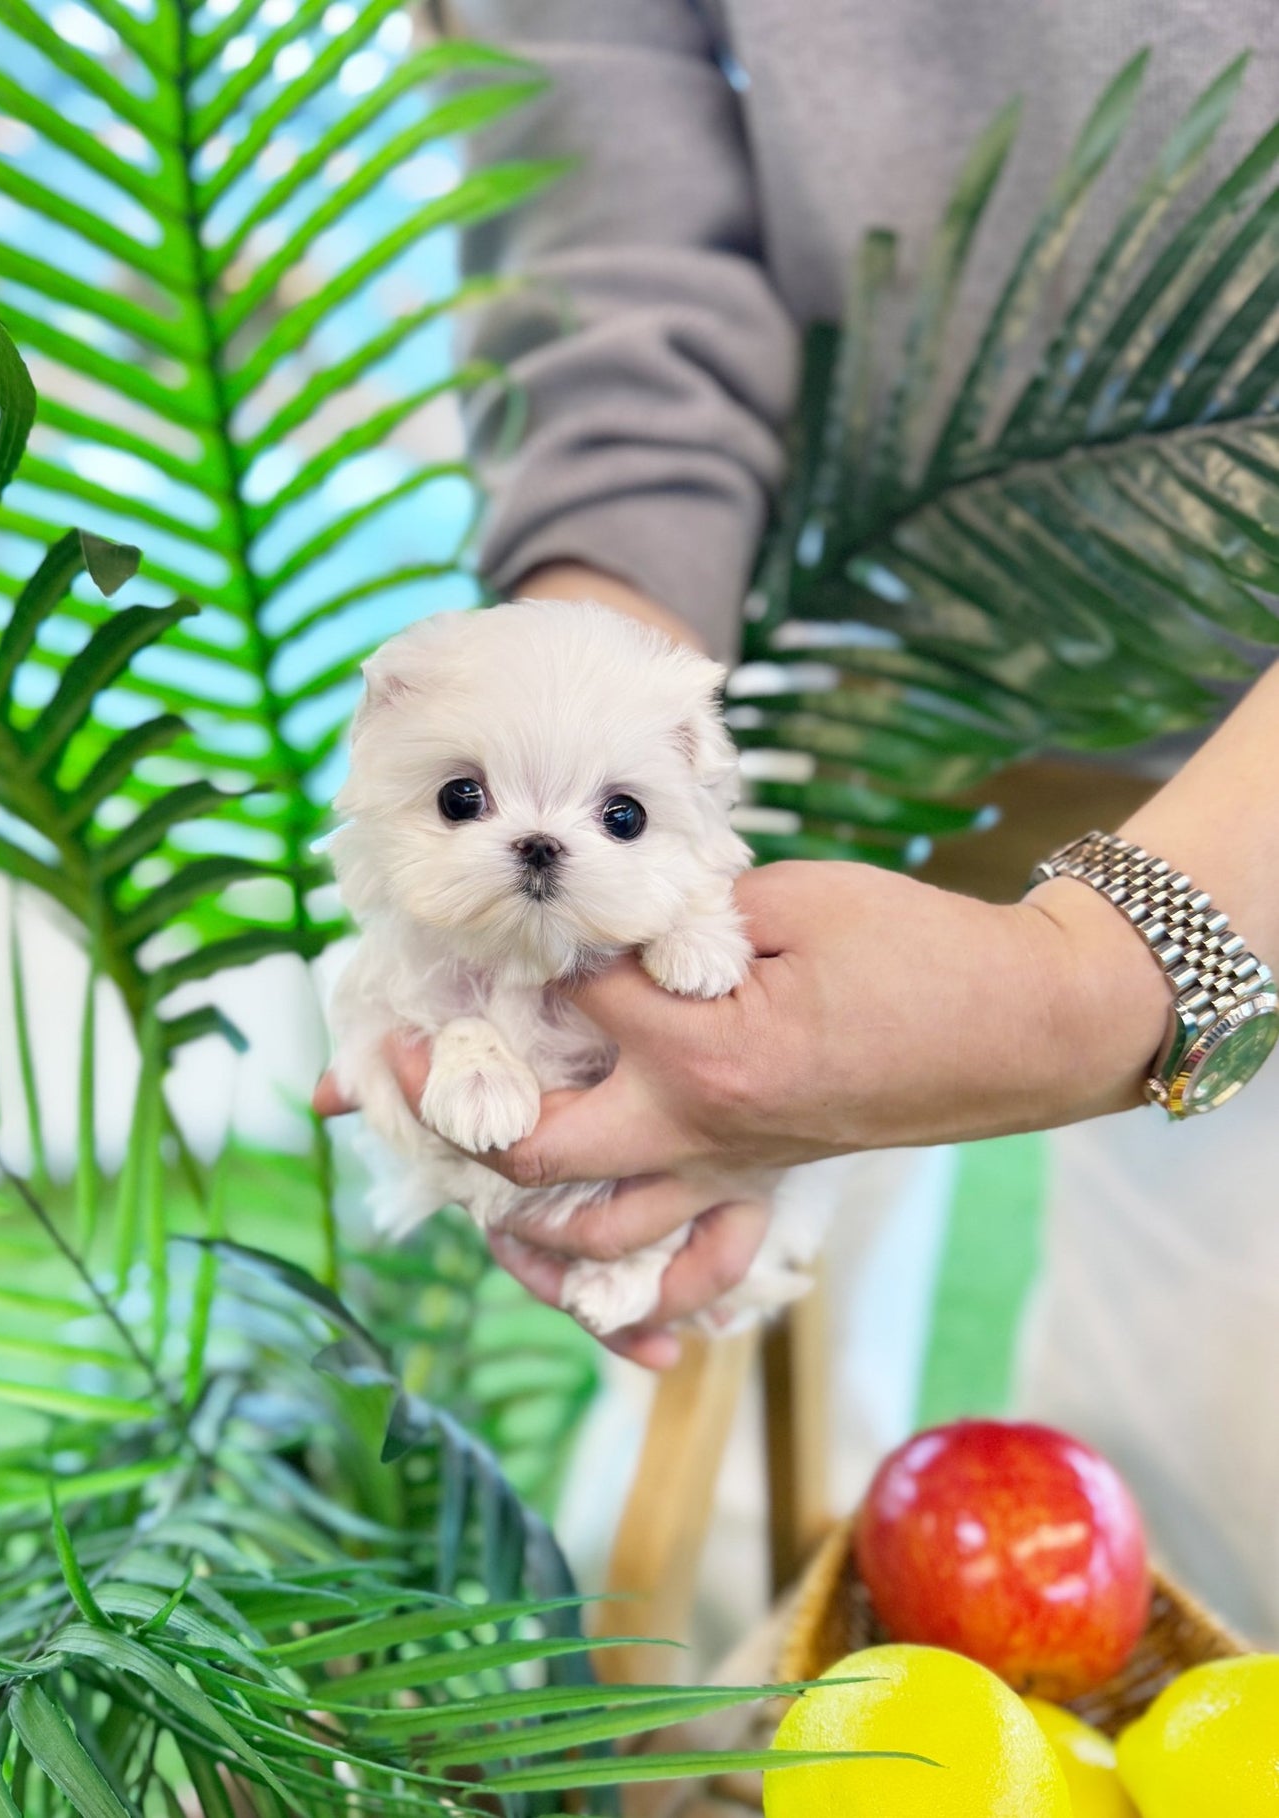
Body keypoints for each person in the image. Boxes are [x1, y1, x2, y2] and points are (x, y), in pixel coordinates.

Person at [317, 1, 1279, 1637]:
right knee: (707, 1538)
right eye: (478, 799)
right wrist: (590, 691)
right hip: (869, 657)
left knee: (1215, 1534)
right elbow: (605, 237)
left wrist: (1089, 985)